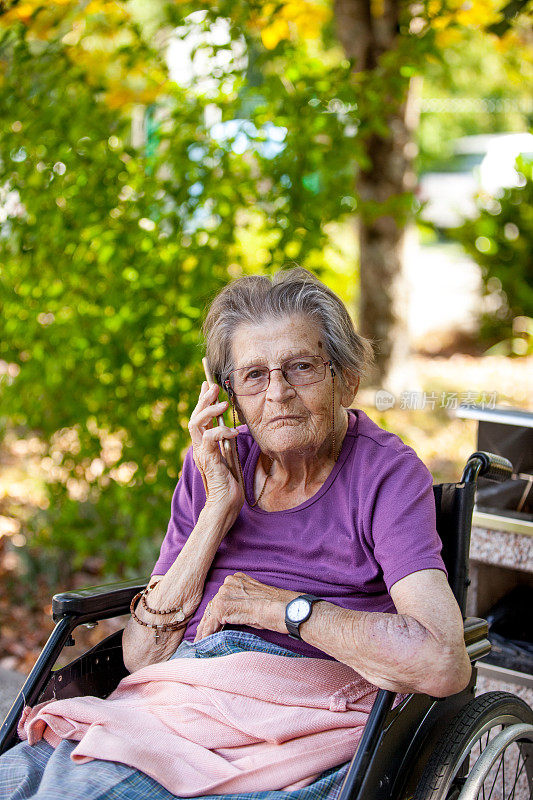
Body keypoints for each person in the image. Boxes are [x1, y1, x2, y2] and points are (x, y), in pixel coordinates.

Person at [0, 267, 471, 800]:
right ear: (226, 393)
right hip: (177, 699)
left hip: (291, 713)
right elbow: (143, 656)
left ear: (347, 377)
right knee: (15, 777)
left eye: (301, 368)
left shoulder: (385, 473)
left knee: (76, 792)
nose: (278, 394)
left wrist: (282, 610)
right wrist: (218, 508)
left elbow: (441, 661)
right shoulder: (215, 465)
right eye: (254, 375)